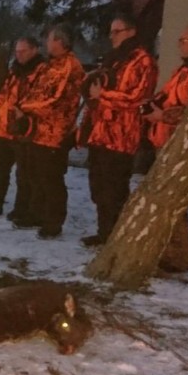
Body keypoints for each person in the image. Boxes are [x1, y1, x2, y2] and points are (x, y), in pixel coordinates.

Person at [80, 14, 156, 246]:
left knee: (114, 190)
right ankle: (104, 232)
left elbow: (136, 98)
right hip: (100, 133)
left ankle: (116, 237)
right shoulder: (113, 59)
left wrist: (102, 95)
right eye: (111, 31)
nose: (111, 36)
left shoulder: (143, 61)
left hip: (121, 137)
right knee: (99, 188)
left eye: (117, 31)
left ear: (131, 32)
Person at [144, 22, 188, 272]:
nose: (181, 44)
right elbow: (167, 96)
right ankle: (169, 252)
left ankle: (179, 257)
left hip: (183, 146)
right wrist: (152, 106)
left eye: (187, 40)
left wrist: (163, 115)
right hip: (164, 141)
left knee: (173, 202)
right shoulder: (182, 70)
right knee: (164, 201)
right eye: (181, 40)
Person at [17, 25, 86, 239]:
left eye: (49, 39)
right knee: (36, 175)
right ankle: (37, 214)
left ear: (60, 42)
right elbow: (36, 91)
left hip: (56, 133)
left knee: (51, 179)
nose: (47, 43)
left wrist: (25, 107)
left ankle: (53, 222)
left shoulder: (69, 66)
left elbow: (55, 100)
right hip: (39, 130)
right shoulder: (50, 65)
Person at [0, 35, 44, 217]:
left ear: (34, 50)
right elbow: (4, 94)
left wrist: (23, 118)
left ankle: (22, 209)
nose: (19, 55)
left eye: (23, 51)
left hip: (23, 129)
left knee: (24, 173)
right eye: (17, 51)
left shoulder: (40, 72)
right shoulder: (14, 71)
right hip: (5, 128)